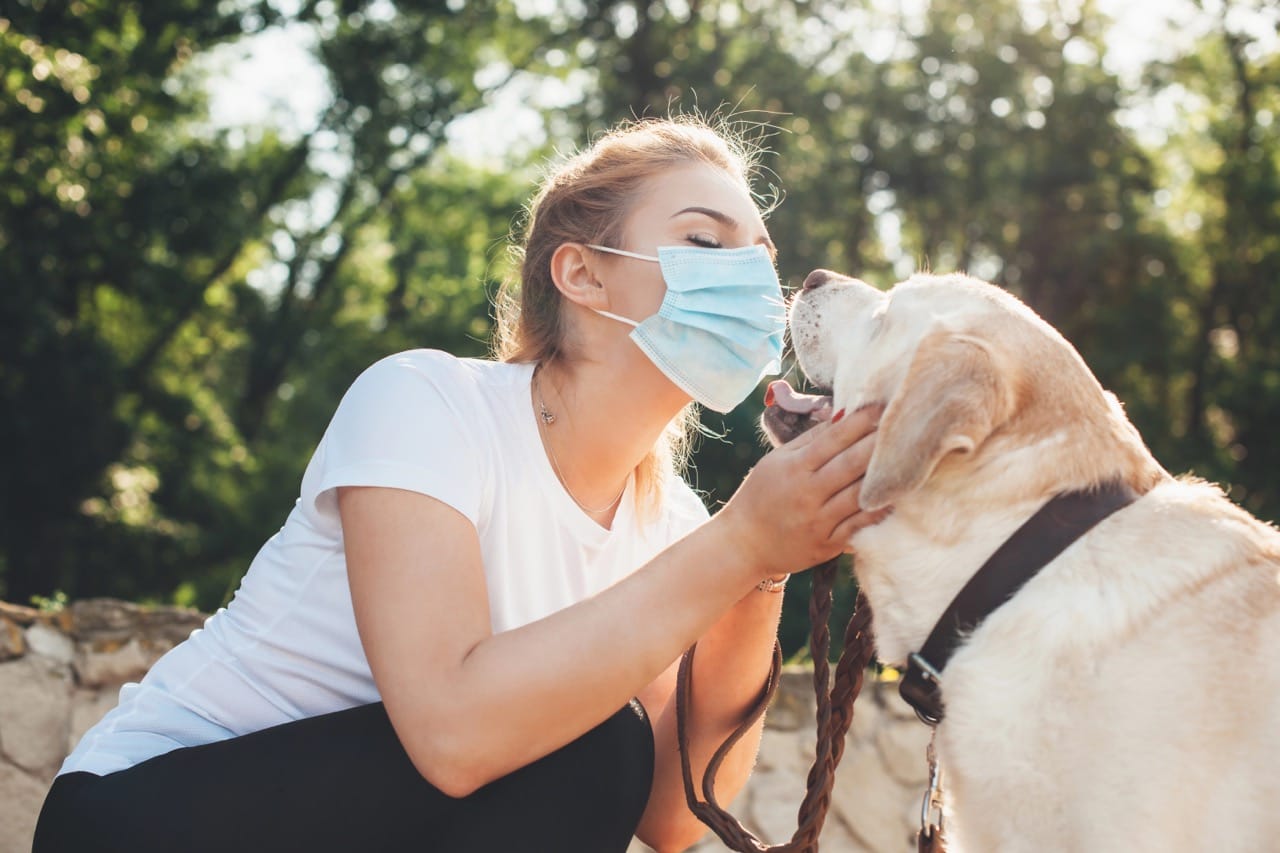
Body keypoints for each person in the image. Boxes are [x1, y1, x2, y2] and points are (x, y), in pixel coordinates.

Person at [33, 115, 885, 853]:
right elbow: (452, 734)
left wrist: (761, 563)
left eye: (758, 258)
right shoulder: (424, 400)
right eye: (707, 243)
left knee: (597, 758)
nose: (750, 282)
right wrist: (739, 540)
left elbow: (672, 812)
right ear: (582, 273)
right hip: (140, 815)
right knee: (591, 746)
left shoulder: (675, 524)